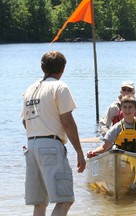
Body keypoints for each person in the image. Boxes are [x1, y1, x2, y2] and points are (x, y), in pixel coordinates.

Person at [21, 51, 86, 216]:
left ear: (42, 67)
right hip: (50, 146)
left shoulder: (29, 89)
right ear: (63, 69)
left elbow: (24, 121)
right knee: (65, 199)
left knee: (40, 203)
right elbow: (67, 122)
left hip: (31, 146)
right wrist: (79, 151)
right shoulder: (60, 87)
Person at [87, 95, 136, 159]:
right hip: (121, 159)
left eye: (130, 107)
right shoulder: (117, 127)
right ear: (121, 109)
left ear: (135, 109)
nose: (127, 110)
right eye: (124, 107)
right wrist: (93, 153)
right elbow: (104, 148)